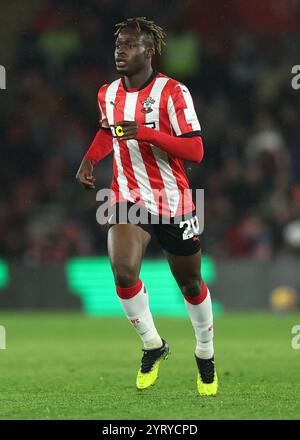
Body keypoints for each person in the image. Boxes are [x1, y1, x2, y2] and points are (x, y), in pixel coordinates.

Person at [76, 17, 218, 396]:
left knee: (190, 282)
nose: (120, 51)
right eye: (118, 44)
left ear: (149, 52)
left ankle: (205, 352)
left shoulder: (173, 92)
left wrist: (151, 133)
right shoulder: (107, 93)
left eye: (129, 45)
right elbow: (109, 130)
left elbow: (197, 150)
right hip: (126, 196)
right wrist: (91, 159)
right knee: (123, 273)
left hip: (174, 200)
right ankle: (153, 345)